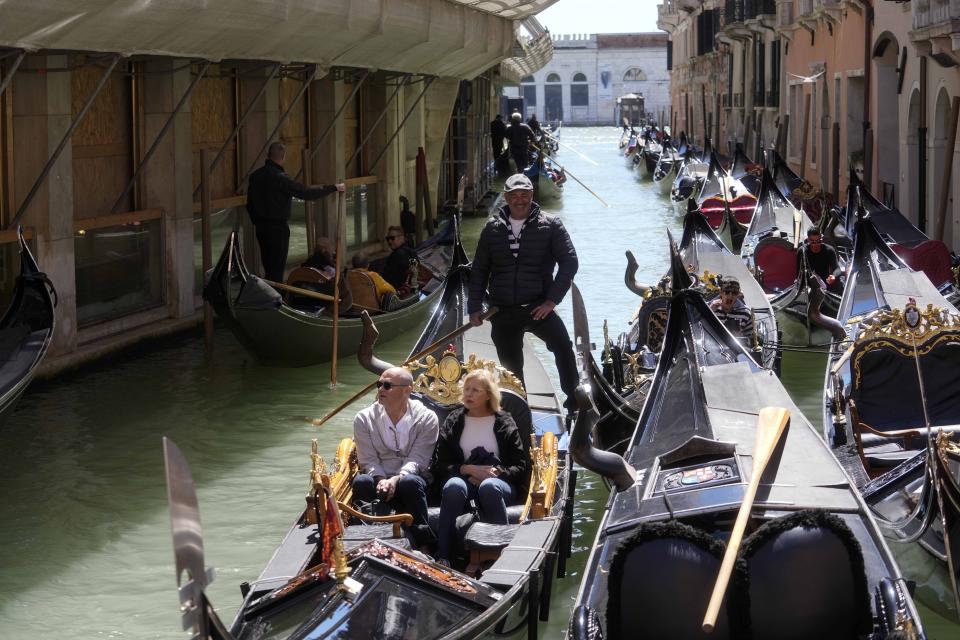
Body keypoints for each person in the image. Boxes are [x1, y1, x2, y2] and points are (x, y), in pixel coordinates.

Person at [468, 173, 579, 412]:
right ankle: (520, 413)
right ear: (506, 197)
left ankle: (574, 402)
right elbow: (479, 270)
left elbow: (570, 262)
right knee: (512, 370)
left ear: (532, 195)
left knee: (563, 346)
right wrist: (474, 307)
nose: (520, 200)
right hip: (502, 310)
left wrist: (551, 301)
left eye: (525, 195)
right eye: (514, 195)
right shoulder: (492, 229)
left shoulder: (551, 225)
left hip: (537, 307)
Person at [432, 369, 529, 565]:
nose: (468, 394)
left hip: (499, 483)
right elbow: (439, 464)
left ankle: (502, 555)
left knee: (489, 487)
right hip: (464, 480)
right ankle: (443, 555)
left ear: (488, 394)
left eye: (475, 390)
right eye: (466, 389)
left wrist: (495, 473)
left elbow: (520, 465)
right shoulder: (454, 420)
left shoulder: (504, 421)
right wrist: (466, 469)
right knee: (453, 486)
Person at [352, 367, 439, 532]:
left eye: (387, 385)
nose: (380, 389)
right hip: (378, 478)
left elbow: (418, 459)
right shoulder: (363, 419)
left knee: (410, 482)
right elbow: (368, 460)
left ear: (407, 390)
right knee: (361, 482)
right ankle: (366, 536)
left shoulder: (427, 418)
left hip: (412, 478)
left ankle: (424, 542)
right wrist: (381, 479)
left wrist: (395, 480)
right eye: (379, 384)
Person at [246, 141, 345, 282]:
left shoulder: (255, 176)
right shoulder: (281, 178)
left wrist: (256, 220)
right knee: (276, 270)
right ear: (283, 157)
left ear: (267, 155)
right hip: (278, 228)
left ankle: (270, 296)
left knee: (268, 267)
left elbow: (249, 204)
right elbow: (307, 193)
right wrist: (333, 188)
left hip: (261, 228)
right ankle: (275, 300)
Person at [797, 227, 841, 293]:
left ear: (821, 238)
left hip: (825, 285)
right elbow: (799, 272)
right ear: (808, 240)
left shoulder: (829, 250)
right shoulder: (802, 251)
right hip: (808, 286)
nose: (816, 244)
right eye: (813, 242)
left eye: (819, 241)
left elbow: (837, 268)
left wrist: (834, 276)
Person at [382, 225, 419, 291]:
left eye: (392, 238)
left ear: (401, 237)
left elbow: (390, 279)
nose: (389, 241)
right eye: (387, 239)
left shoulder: (397, 255)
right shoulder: (411, 252)